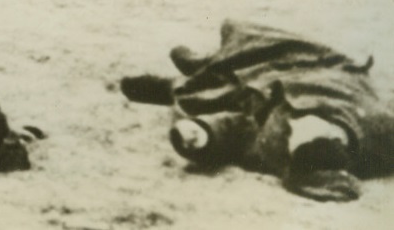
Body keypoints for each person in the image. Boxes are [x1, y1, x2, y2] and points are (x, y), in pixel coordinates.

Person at [120, 19, 394, 202]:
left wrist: (204, 135)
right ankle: (206, 60)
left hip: (256, 92)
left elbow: (239, 132)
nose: (293, 127)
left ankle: (177, 84)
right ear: (339, 138)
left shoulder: (276, 148)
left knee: (209, 96)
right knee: (256, 35)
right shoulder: (381, 131)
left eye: (293, 139)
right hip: (320, 66)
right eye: (305, 131)